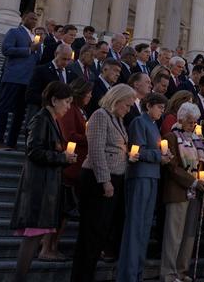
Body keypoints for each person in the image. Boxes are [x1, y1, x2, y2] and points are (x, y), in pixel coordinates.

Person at [10, 81, 77, 282]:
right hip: (37, 187)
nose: (68, 107)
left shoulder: (51, 119)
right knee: (32, 237)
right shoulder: (41, 119)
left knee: (35, 237)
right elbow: (34, 151)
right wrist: (62, 158)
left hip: (46, 184)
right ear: (54, 100)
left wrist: (64, 158)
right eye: (66, 102)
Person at [71, 84, 137, 282]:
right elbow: (97, 150)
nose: (128, 109)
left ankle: (87, 274)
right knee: (90, 233)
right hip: (98, 179)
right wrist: (105, 181)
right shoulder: (100, 115)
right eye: (127, 105)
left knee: (100, 232)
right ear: (116, 101)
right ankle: (81, 276)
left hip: (114, 178)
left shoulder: (116, 118)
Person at [117, 92, 171, 282]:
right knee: (135, 225)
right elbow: (137, 150)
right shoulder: (140, 122)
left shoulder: (154, 126)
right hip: (139, 176)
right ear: (148, 106)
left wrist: (165, 155)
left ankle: (137, 273)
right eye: (159, 107)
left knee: (145, 227)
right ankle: (128, 274)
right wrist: (159, 156)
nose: (161, 111)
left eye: (163, 109)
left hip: (152, 176)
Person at [160, 102, 204, 282]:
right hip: (178, 190)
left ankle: (182, 270)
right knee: (174, 235)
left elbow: (199, 162)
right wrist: (193, 181)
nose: (193, 125)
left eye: (195, 122)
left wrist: (202, 179)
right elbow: (172, 167)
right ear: (181, 119)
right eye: (189, 121)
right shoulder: (171, 137)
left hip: (194, 192)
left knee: (189, 234)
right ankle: (169, 273)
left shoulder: (195, 139)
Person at [49, 78, 91, 261]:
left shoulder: (79, 111)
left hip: (77, 163)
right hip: (70, 164)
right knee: (60, 211)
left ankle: (53, 246)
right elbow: (69, 135)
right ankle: (47, 247)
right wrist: (90, 138)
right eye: (88, 93)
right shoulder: (70, 110)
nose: (90, 96)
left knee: (65, 212)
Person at [0, 10, 42, 150]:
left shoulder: (35, 37)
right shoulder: (14, 32)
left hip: (28, 80)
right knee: (4, 108)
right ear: (23, 18)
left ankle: (11, 141)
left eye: (36, 19)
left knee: (20, 113)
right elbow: (6, 50)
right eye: (31, 18)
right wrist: (28, 49)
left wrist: (37, 50)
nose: (34, 21)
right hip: (14, 76)